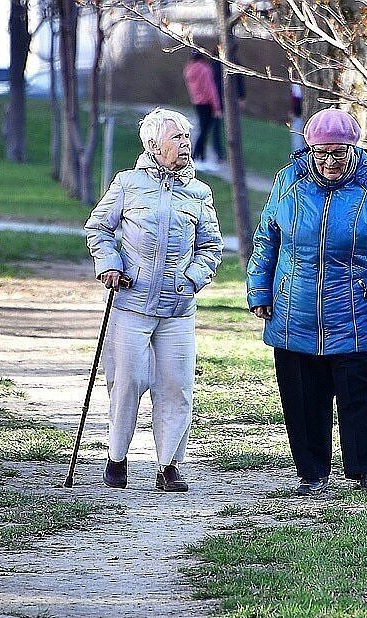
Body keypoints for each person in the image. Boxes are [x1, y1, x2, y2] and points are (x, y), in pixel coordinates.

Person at [246, 108, 367, 497]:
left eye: (338, 153)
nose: (328, 162)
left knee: (359, 393)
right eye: (320, 153)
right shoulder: (288, 181)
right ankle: (311, 472)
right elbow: (266, 238)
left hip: (354, 309)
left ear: (353, 148)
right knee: (302, 396)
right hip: (294, 308)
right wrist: (259, 289)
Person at [85, 108, 223, 492]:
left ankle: (169, 466)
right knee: (128, 381)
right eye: (176, 137)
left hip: (178, 310)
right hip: (131, 304)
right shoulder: (128, 184)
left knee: (176, 386)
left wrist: (192, 279)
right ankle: (116, 457)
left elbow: (211, 246)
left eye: (185, 137)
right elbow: (98, 228)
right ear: (153, 145)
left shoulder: (199, 192)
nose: (184, 144)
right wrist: (109, 264)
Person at [184, 50, 223, 169]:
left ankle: (199, 156)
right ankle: (197, 156)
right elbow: (210, 88)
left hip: (197, 102)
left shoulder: (188, 69)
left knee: (202, 129)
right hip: (207, 103)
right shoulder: (204, 69)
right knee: (205, 130)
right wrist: (217, 106)